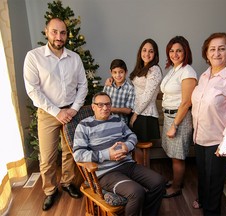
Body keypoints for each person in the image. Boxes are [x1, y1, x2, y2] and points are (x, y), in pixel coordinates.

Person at [23, 17, 87, 211]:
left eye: (63, 33)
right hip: (48, 113)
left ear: (67, 35)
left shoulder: (74, 58)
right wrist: (56, 111)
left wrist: (74, 109)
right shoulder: (34, 57)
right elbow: (33, 90)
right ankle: (50, 190)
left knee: (69, 152)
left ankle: (67, 183)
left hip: (71, 111)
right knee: (48, 156)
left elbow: (83, 85)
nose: (59, 37)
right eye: (55, 32)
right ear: (46, 32)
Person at [73, 92, 166, 216]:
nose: (105, 108)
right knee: (136, 192)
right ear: (93, 107)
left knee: (159, 182)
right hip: (106, 172)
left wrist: (127, 146)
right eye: (100, 105)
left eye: (107, 104)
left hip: (128, 164)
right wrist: (107, 155)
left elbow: (132, 136)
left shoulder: (117, 120)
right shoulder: (84, 125)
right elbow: (78, 154)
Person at [191, 32, 226, 215]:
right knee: (202, 175)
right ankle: (203, 200)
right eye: (212, 49)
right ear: (206, 54)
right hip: (200, 136)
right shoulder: (204, 76)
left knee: (214, 182)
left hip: (219, 140)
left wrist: (225, 146)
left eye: (222, 49)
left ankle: (211, 211)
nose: (217, 53)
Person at [160, 36, 197, 198]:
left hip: (179, 119)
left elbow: (186, 102)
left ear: (186, 52)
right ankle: (176, 180)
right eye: (172, 51)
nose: (175, 54)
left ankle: (176, 188)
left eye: (179, 51)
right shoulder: (173, 70)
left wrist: (175, 125)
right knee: (173, 154)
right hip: (170, 116)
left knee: (178, 157)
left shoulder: (188, 71)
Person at [129, 38, 162, 142]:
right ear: (140, 52)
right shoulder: (140, 68)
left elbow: (147, 95)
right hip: (137, 111)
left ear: (155, 54)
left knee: (143, 150)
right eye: (144, 50)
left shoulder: (154, 70)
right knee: (134, 148)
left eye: (151, 51)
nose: (147, 54)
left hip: (145, 115)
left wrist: (135, 114)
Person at [103, 59, 135, 124]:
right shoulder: (108, 85)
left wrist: (111, 109)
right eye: (115, 72)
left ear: (126, 72)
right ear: (111, 72)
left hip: (120, 123)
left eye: (121, 72)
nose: (118, 75)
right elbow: (102, 101)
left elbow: (128, 110)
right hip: (105, 121)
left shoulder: (130, 89)